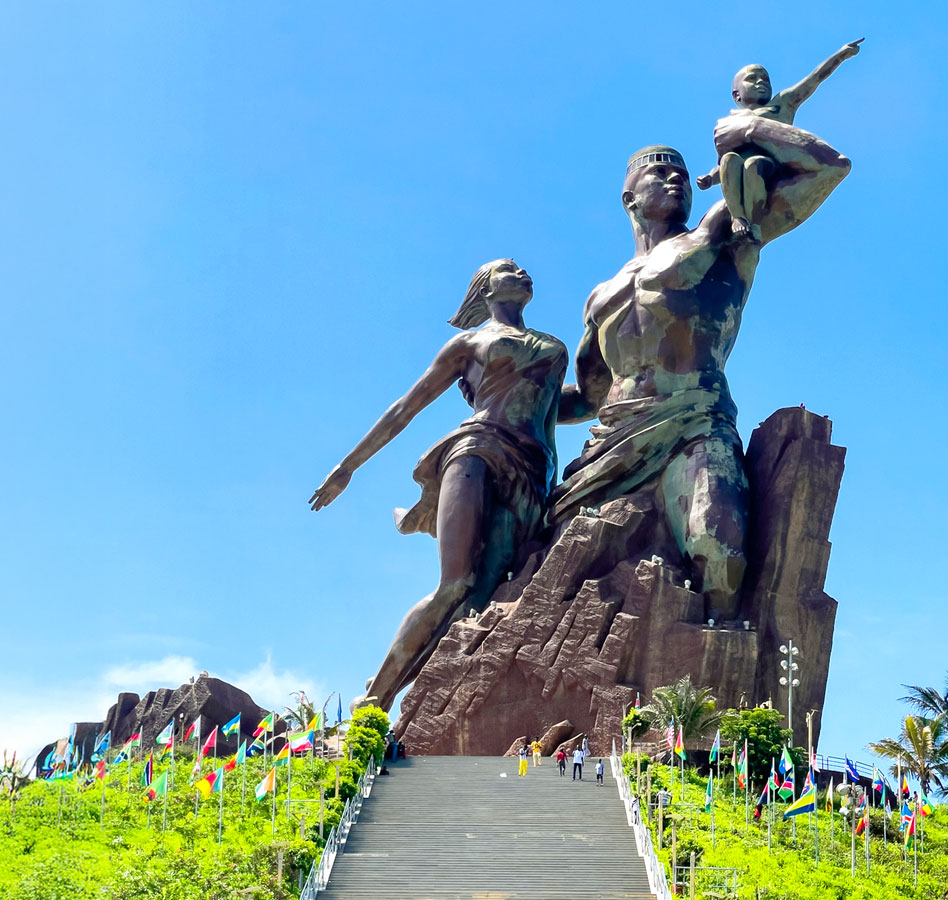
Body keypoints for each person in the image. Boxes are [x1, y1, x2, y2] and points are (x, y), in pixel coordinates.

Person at [555, 126, 851, 622]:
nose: (676, 179)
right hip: (610, 442)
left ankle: (712, 678)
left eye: (682, 175)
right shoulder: (600, 295)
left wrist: (754, 129)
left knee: (717, 543)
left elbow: (828, 168)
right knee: (556, 561)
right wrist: (506, 402)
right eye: (659, 173)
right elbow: (587, 397)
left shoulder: (721, 232)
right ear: (629, 197)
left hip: (694, 423)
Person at [311, 260, 568, 712]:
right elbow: (405, 408)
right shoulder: (469, 343)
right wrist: (348, 466)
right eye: (510, 269)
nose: (524, 272)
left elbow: (566, 404)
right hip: (477, 450)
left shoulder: (554, 346)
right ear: (485, 289)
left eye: (524, 268)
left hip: (534, 470)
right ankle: (376, 700)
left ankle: (420, 692)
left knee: (483, 598)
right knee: (456, 583)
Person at [696, 42, 863, 239]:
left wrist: (840, 56)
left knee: (753, 163)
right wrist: (710, 178)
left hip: (769, 168)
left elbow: (813, 80)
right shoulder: (728, 124)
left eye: (765, 79)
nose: (761, 82)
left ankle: (753, 220)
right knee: (730, 160)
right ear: (737, 95)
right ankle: (738, 218)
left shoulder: (780, 105)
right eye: (752, 79)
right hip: (737, 174)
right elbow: (725, 165)